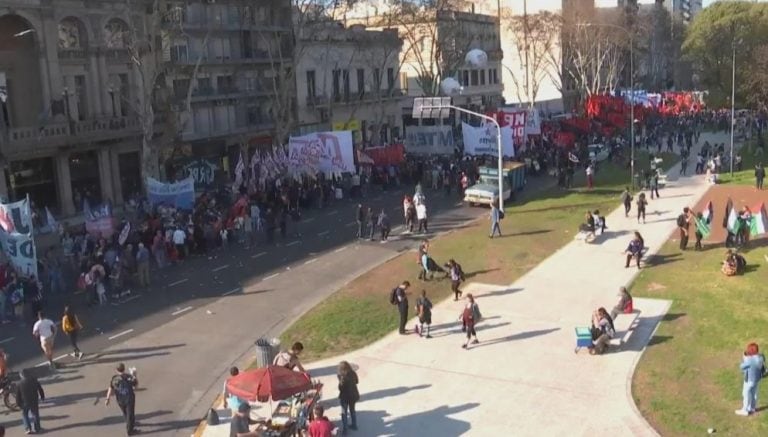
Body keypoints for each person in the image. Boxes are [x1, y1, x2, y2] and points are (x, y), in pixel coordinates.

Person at [105, 363, 140, 435]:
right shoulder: (129, 377)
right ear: (124, 368)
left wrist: (107, 398)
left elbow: (110, 388)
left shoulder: (114, 378)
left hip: (120, 399)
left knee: (125, 413)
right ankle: (130, 431)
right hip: (129, 399)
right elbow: (136, 387)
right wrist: (135, 375)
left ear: (116, 370)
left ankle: (129, 423)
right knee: (130, 414)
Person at [735, 342, 765, 416]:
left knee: (745, 393)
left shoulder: (749, 360)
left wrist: (745, 357)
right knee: (754, 393)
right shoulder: (761, 357)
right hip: (757, 379)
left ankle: (745, 410)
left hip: (749, 380)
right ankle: (752, 408)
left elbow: (741, 366)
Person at [15, 368, 45, 434]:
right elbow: (40, 389)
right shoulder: (34, 380)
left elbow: (18, 395)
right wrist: (42, 397)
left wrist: (18, 403)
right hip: (34, 400)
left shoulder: (19, 383)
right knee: (35, 414)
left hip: (24, 402)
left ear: (21, 375)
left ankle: (28, 428)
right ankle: (37, 428)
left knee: (25, 414)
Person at [337, 361, 359, 434]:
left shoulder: (342, 376)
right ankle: (354, 425)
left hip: (345, 397)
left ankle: (345, 430)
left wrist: (340, 380)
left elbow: (340, 388)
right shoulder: (353, 373)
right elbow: (356, 381)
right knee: (352, 410)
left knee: (344, 413)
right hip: (353, 395)